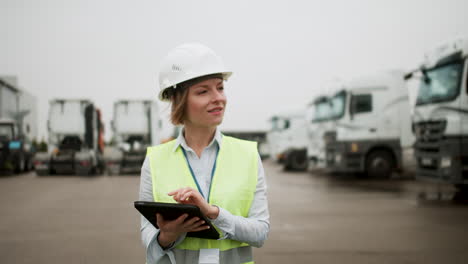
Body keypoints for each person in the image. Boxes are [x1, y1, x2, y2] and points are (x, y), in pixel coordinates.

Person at [139, 43, 270, 264]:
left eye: (220, 87)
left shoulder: (247, 155)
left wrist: (214, 214)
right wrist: (168, 235)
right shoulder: (155, 160)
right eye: (203, 91)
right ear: (178, 100)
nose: (218, 97)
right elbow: (147, 237)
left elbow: (260, 233)